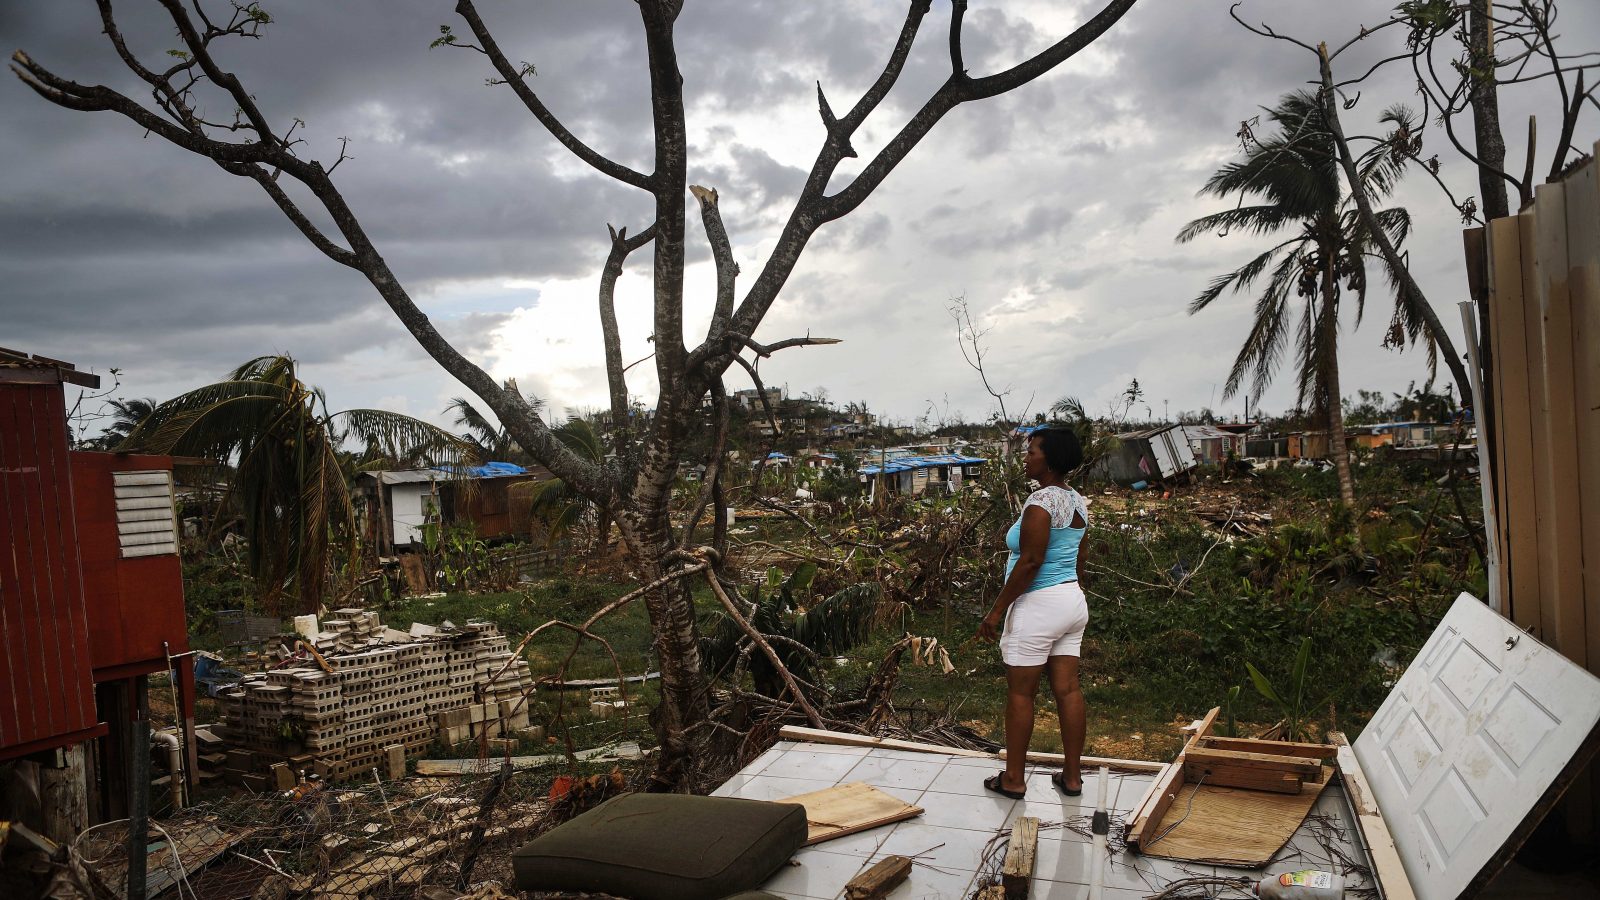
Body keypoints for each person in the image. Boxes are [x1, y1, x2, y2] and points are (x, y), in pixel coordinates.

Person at [978, 427, 1090, 799]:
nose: (1026, 458)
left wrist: (996, 612)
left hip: (1039, 605)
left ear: (1050, 458)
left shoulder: (1041, 501)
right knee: (1068, 689)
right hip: (1071, 601)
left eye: (1032, 452)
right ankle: (1071, 778)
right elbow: (1079, 557)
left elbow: (1030, 562)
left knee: (1021, 694)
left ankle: (1013, 779)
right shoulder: (1078, 502)